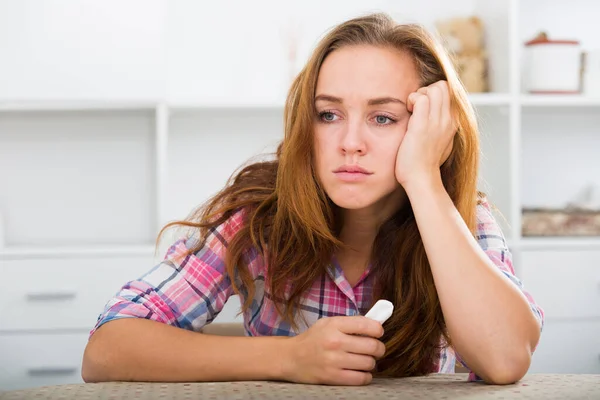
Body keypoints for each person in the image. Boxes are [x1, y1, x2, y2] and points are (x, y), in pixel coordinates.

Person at [82, 13, 544, 386]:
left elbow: (505, 360)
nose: (350, 141)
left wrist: (423, 179)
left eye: (383, 118)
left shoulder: (458, 215)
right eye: (328, 114)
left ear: (429, 127)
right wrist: (289, 358)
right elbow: (107, 349)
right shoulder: (260, 214)